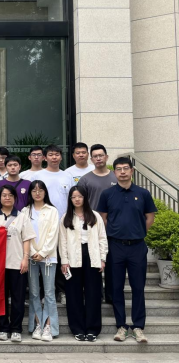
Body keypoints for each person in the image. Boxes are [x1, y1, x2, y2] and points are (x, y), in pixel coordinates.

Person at [97, 157, 157, 344]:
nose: (122, 172)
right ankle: (121, 326)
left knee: (138, 287)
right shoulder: (107, 194)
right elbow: (103, 218)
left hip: (137, 247)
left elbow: (150, 217)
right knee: (116, 288)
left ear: (132, 171)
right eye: (118, 169)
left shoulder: (143, 193)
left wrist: (138, 232)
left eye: (125, 168)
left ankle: (138, 327)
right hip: (115, 246)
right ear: (114, 172)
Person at [0, 185, 35, 343]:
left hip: (17, 263)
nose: (7, 198)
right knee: (1, 299)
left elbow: (27, 239)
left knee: (18, 299)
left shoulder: (22, 217)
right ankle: (3, 329)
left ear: (15, 198)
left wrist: (25, 259)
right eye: (4, 195)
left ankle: (16, 329)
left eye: (10, 195)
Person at [59, 186, 108, 342]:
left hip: (92, 257)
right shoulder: (66, 217)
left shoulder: (94, 216)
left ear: (85, 198)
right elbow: (62, 241)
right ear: (70, 199)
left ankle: (92, 329)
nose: (77, 199)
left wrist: (102, 259)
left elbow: (102, 238)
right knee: (74, 295)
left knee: (93, 294)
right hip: (73, 258)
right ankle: (78, 329)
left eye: (80, 196)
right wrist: (64, 260)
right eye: (74, 197)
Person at [32, 144, 74, 305]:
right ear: (45, 157)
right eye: (51, 154)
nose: (54, 157)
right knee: (44, 258)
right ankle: (44, 293)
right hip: (43, 224)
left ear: (61, 157)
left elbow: (72, 199)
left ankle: (62, 291)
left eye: (57, 154)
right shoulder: (38, 176)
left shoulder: (67, 176)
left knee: (62, 257)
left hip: (64, 223)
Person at [78, 144, 117, 304]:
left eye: (101, 155)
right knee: (94, 263)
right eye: (95, 156)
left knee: (112, 264)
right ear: (91, 159)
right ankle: (96, 294)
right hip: (92, 227)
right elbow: (79, 202)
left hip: (114, 228)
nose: (98, 158)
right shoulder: (85, 179)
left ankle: (111, 295)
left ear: (106, 157)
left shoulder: (116, 176)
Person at [24, 180, 60, 342]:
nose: (37, 193)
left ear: (45, 192)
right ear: (30, 193)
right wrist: (33, 252)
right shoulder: (25, 211)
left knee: (49, 293)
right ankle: (37, 324)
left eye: (40, 190)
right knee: (33, 293)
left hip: (49, 257)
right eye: (34, 190)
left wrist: (43, 252)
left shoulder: (52, 210)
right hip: (31, 257)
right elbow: (24, 234)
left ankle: (49, 327)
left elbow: (53, 234)